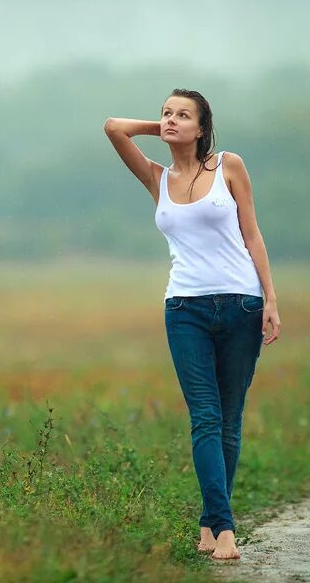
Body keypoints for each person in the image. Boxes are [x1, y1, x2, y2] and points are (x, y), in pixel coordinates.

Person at [102, 89, 281, 560]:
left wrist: (270, 299)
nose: (171, 120)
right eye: (166, 113)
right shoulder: (156, 178)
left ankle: (208, 522)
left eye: (183, 115)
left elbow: (253, 232)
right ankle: (224, 530)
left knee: (228, 419)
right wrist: (156, 128)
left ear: (203, 128)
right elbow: (112, 128)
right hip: (184, 310)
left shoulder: (229, 166)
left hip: (242, 304)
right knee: (204, 416)